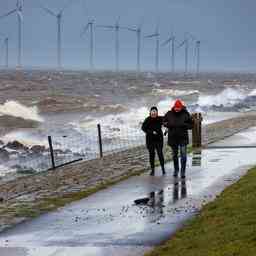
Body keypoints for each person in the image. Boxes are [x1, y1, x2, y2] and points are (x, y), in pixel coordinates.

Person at [164, 99, 193, 178]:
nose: (177, 109)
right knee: (174, 155)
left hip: (183, 138)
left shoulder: (186, 114)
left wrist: (185, 125)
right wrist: (168, 124)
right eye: (176, 107)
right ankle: (176, 169)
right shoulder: (169, 114)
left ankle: (183, 171)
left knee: (183, 155)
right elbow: (164, 122)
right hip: (173, 138)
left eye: (178, 107)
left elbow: (191, 125)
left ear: (181, 107)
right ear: (174, 107)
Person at [142, 106, 165, 176]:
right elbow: (143, 128)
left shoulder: (160, 118)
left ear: (157, 112)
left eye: (155, 111)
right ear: (150, 112)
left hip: (159, 139)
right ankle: (152, 170)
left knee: (160, 153)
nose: (154, 113)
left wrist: (167, 127)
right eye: (152, 111)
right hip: (150, 140)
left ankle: (163, 168)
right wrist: (151, 132)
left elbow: (167, 120)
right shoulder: (147, 119)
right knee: (151, 155)